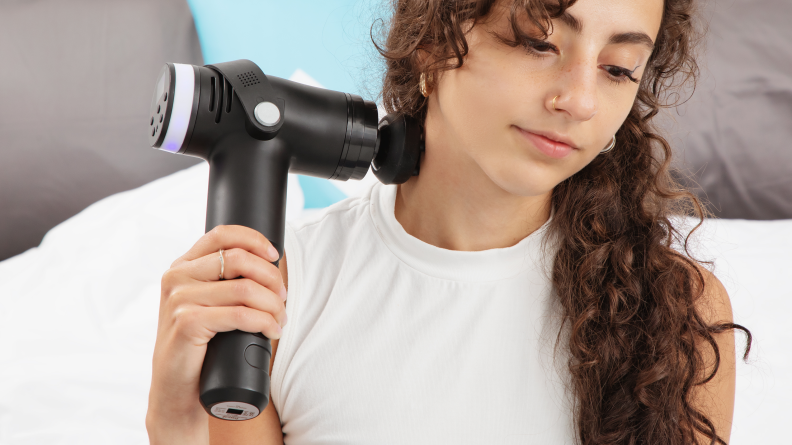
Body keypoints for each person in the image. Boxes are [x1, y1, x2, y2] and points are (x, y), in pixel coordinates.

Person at [146, 0, 752, 443]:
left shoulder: (675, 311)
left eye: (619, 68)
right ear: (434, 41)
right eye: (539, 43)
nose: (581, 100)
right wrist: (176, 422)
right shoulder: (272, 301)